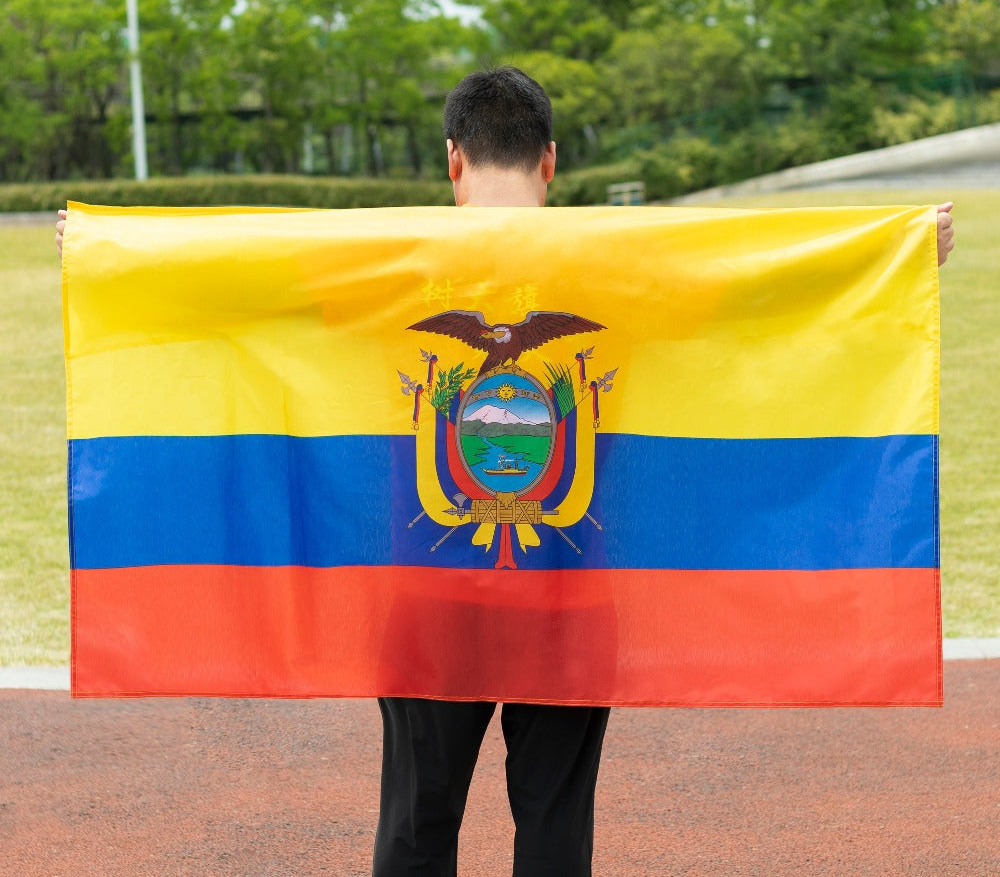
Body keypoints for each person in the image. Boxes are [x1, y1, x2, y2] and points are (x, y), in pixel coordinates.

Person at [55, 67, 957, 877]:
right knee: (556, 832)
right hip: (570, 586)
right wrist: (899, 252)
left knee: (415, 829)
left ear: (452, 159)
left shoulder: (386, 263)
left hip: (428, 587)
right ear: (552, 160)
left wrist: (104, 256)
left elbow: (243, 286)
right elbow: (760, 288)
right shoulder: (622, 266)